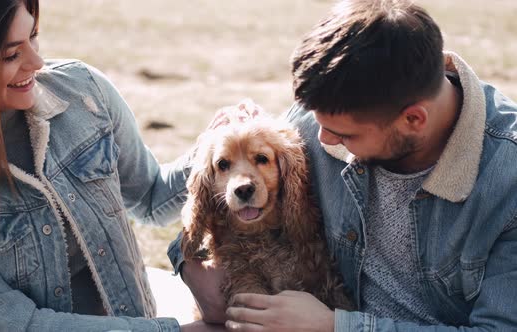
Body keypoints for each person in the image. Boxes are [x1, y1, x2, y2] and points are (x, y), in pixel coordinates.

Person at [168, 0, 517, 331]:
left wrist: (333, 326)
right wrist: (192, 268)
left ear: (413, 119)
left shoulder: (507, 180)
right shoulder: (332, 110)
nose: (321, 141)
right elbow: (218, 208)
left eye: (344, 135)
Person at [0, 1, 223, 331]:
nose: (37, 62)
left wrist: (218, 152)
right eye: (12, 55)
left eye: (34, 36)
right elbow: (14, 324)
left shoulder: (85, 90)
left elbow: (151, 198)